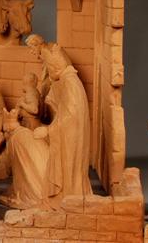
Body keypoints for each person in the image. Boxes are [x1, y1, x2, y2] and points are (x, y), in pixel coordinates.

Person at [26, 34, 93, 208]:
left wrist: (48, 130)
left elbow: (69, 117)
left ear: (55, 67)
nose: (48, 72)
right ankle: (65, 197)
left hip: (69, 135)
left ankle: (68, 199)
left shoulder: (70, 85)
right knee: (67, 166)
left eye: (49, 68)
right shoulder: (68, 81)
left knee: (68, 166)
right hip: (67, 132)